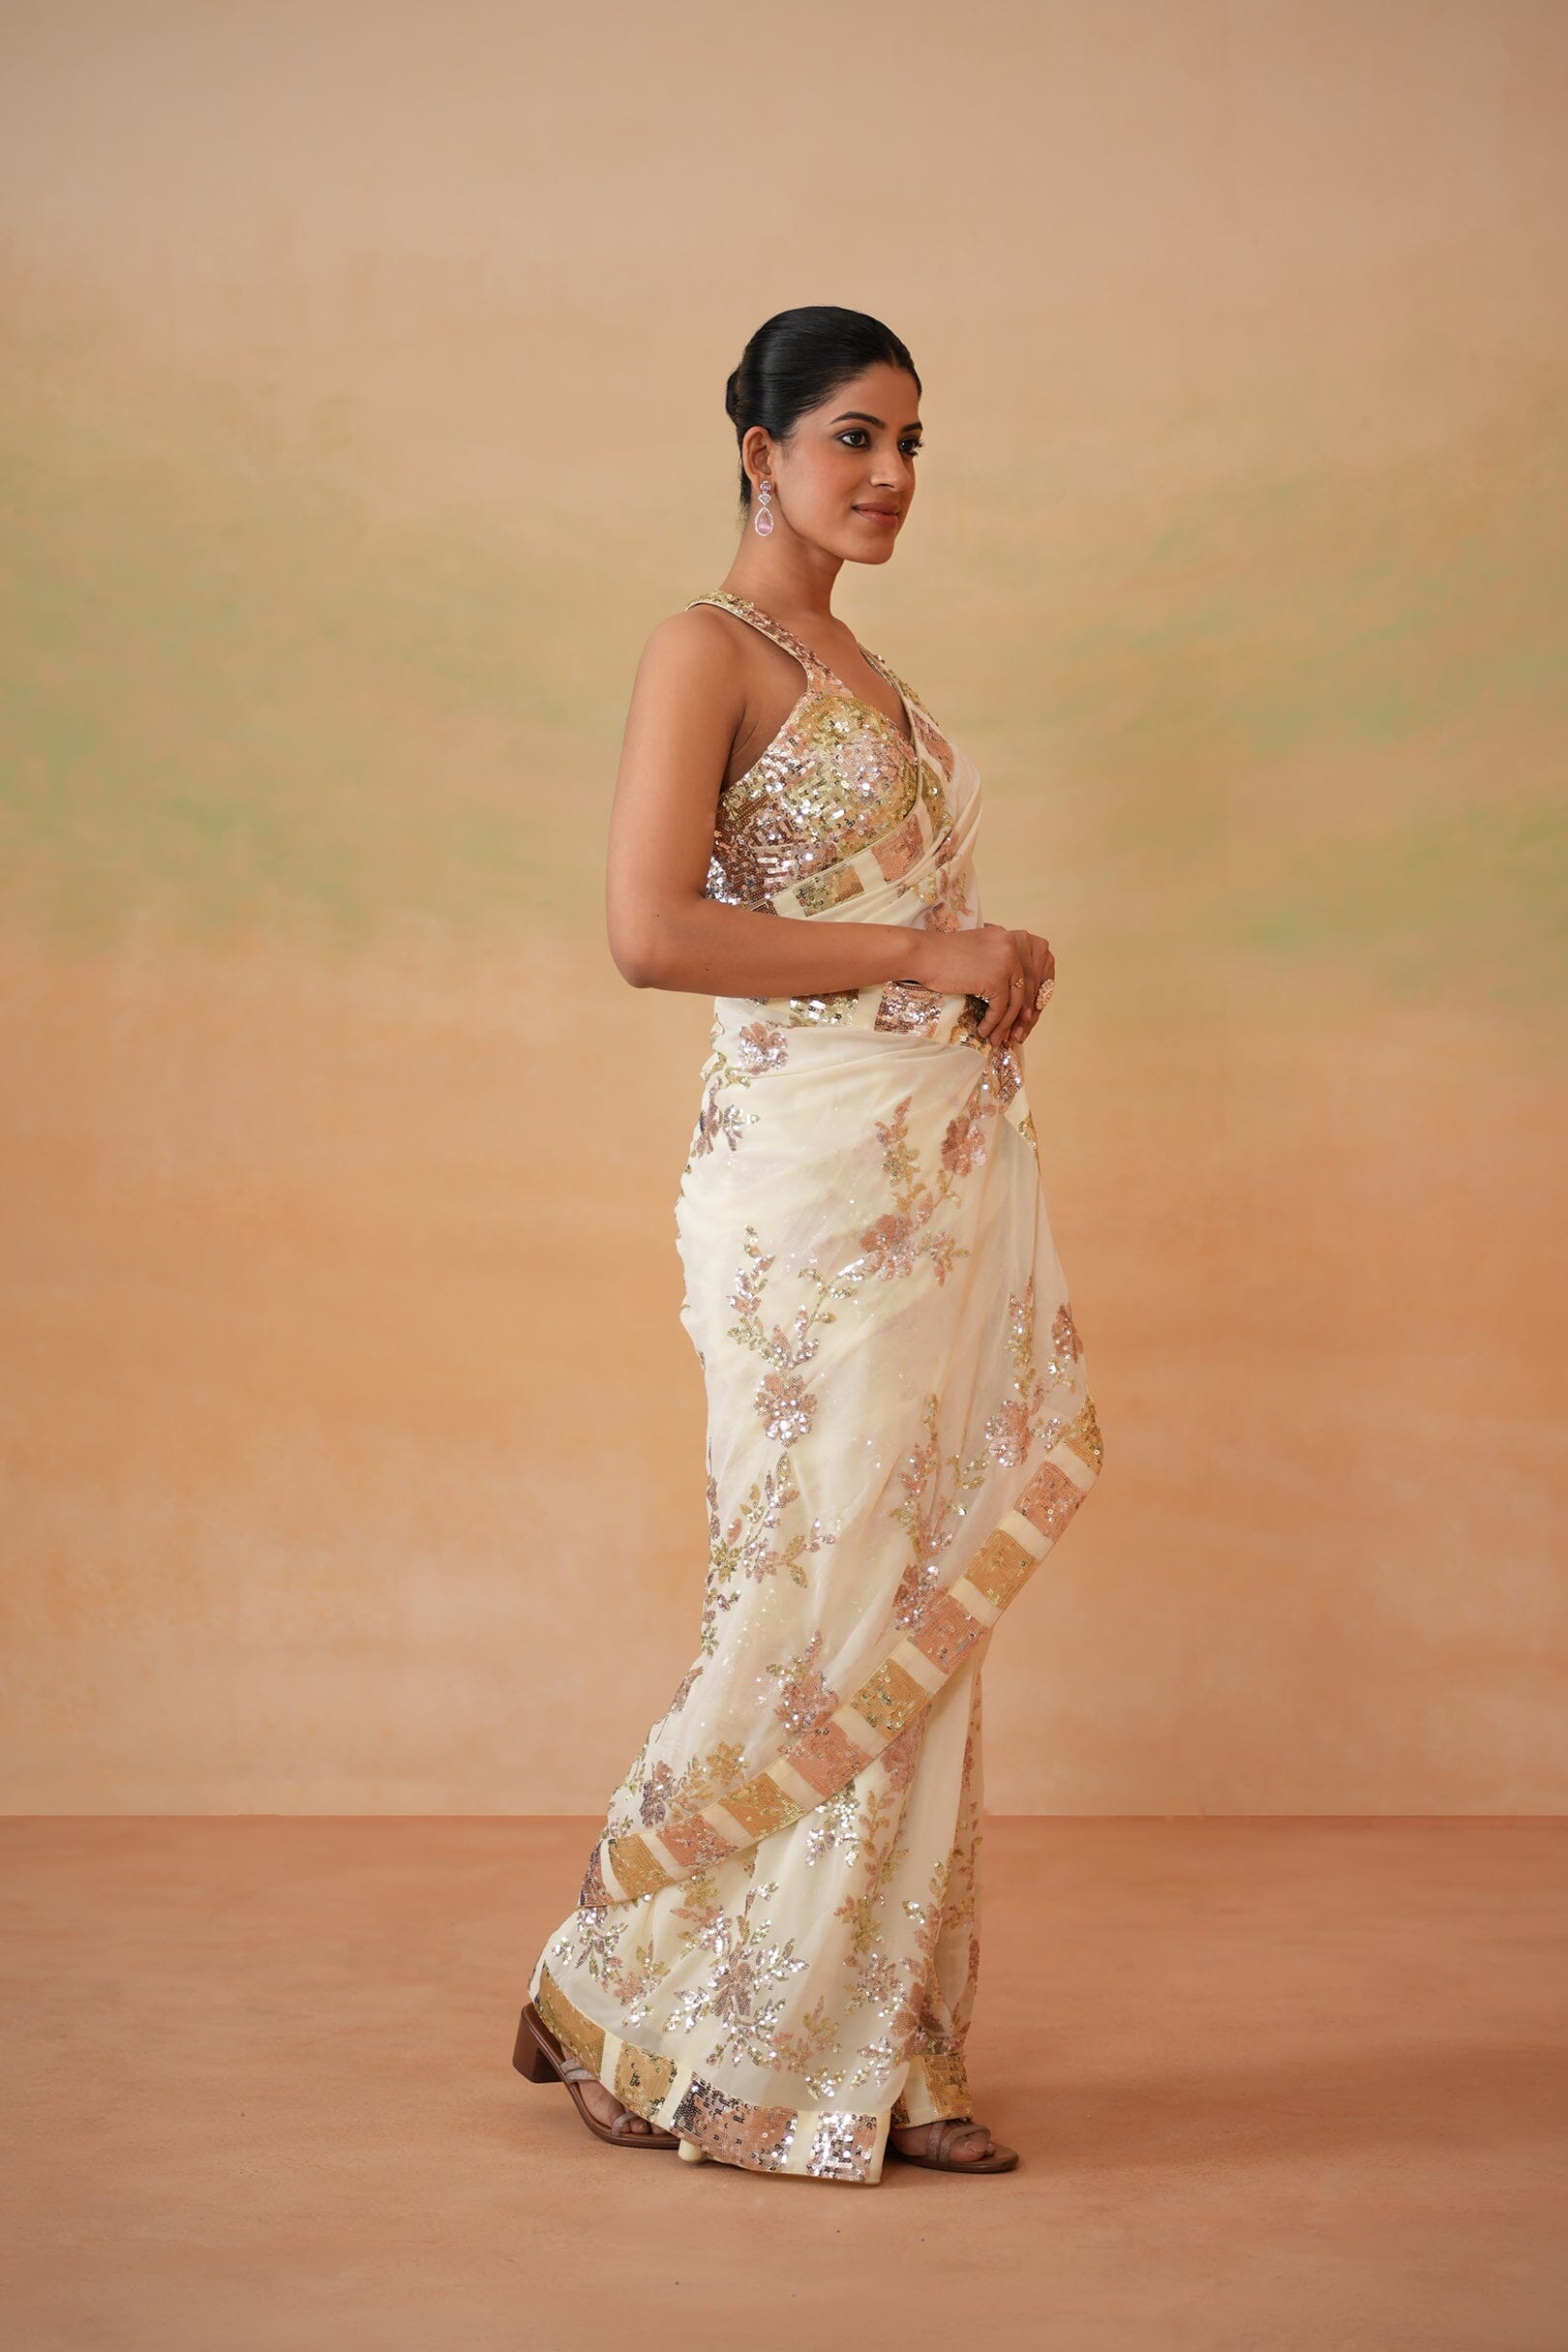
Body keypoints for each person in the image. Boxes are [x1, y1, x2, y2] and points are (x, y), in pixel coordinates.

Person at [513, 305, 1103, 2186]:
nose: (893, 474)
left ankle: (881, 2044)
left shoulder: (872, 671)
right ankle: (636, 1982)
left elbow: (898, 914)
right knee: (811, 1575)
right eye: (857, 436)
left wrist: (986, 961)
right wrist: (925, 949)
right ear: (759, 450)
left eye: (913, 443)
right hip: (801, 1193)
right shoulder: (708, 648)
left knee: (912, 1580)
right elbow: (651, 930)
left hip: (928, 1179)